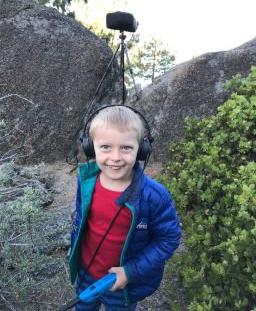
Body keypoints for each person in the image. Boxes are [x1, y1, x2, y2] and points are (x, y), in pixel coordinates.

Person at [68, 105, 181, 311]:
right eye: (105, 147)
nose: (115, 157)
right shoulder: (87, 182)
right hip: (86, 272)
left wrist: (130, 272)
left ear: (142, 150)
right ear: (90, 147)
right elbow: (81, 221)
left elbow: (169, 238)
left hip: (122, 283)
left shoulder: (154, 196)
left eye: (126, 148)